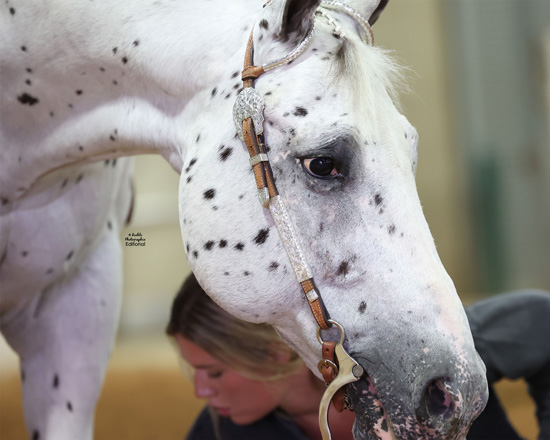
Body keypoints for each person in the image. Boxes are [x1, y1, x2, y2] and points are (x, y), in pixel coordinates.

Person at [167, 274, 550, 440]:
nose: (201, 391)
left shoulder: (415, 365)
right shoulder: (221, 431)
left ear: (278, 351)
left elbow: (540, 320)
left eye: (213, 373)